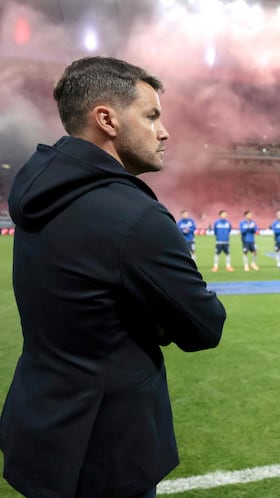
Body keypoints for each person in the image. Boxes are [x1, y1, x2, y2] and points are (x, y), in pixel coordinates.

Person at [0, 56, 226, 498]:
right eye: (152, 115)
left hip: (41, 427)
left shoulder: (34, 187)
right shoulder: (134, 217)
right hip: (107, 448)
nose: (164, 132)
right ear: (106, 119)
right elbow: (204, 326)